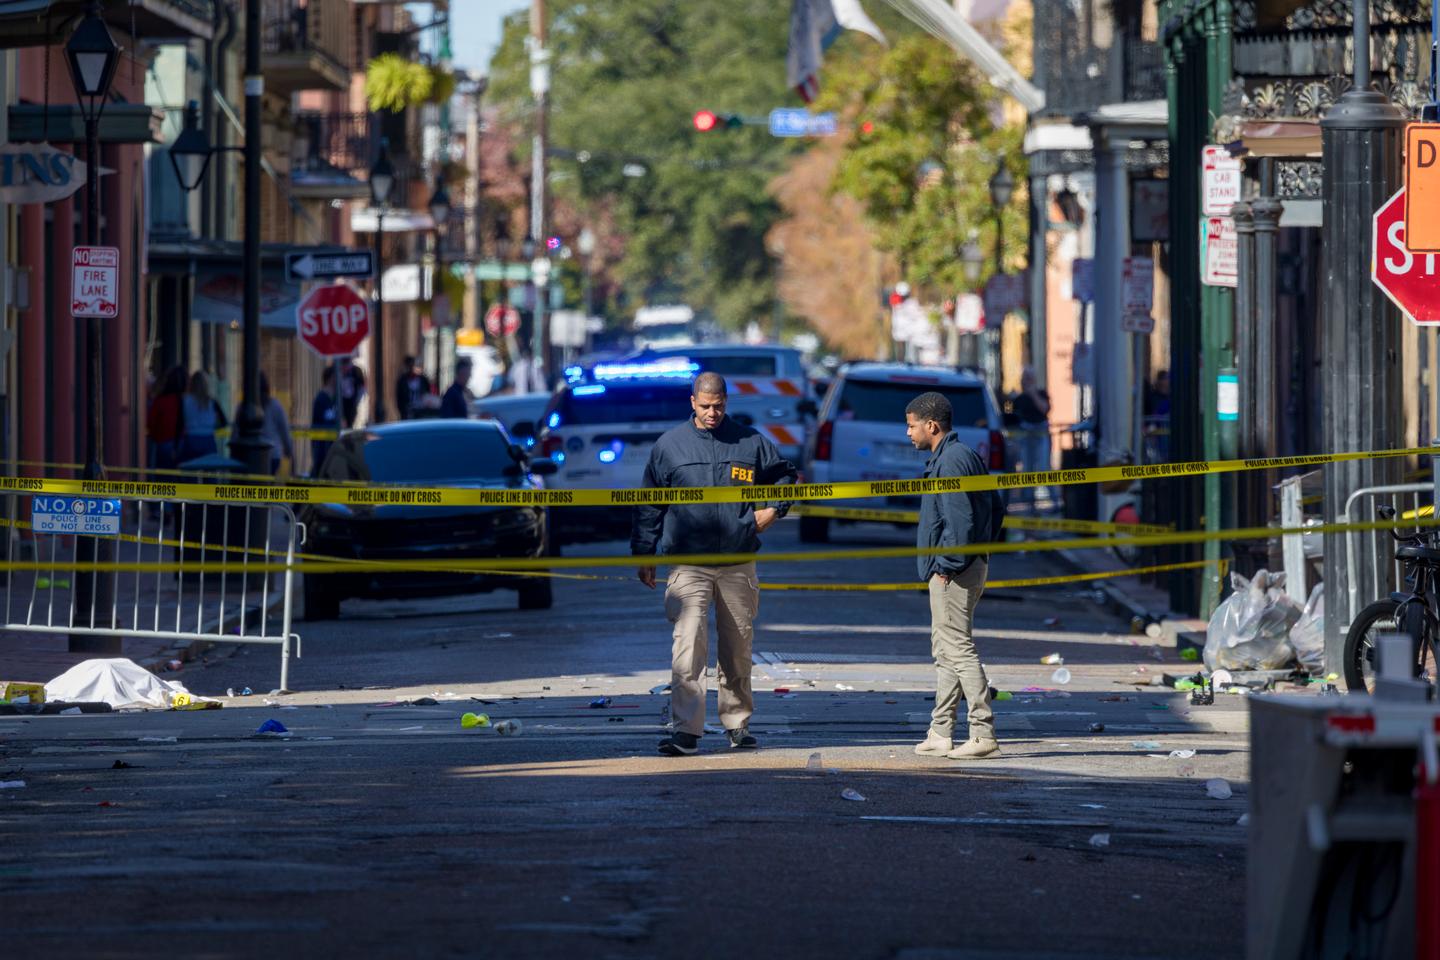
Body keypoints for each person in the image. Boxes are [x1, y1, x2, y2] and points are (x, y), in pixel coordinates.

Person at [632, 371, 798, 756]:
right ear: (693, 402)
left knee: (738, 647)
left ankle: (737, 723)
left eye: (719, 405)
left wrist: (774, 510)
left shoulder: (750, 441)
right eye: (705, 406)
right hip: (689, 562)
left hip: (738, 561)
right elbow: (648, 503)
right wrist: (644, 552)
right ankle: (687, 730)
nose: (712, 413)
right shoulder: (670, 447)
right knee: (688, 646)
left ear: (727, 401)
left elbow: (787, 477)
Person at [905, 391, 1005, 761]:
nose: (908, 433)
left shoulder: (951, 462)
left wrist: (949, 563)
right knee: (945, 651)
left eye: (912, 426)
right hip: (964, 564)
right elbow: (996, 506)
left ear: (932, 426)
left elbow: (960, 520)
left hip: (954, 571)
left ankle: (982, 732)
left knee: (958, 650)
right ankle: (941, 731)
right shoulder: (958, 456)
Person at [1009, 365, 1051, 512]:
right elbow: (1010, 417)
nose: (1025, 381)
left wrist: (1032, 393)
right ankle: (1029, 504)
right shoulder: (1019, 398)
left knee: (1044, 468)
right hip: (1024, 436)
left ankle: (1053, 502)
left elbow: (1045, 409)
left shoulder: (1041, 393)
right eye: (1024, 378)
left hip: (1041, 435)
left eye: (1028, 378)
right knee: (1027, 469)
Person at [146, 365, 187, 477]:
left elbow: (151, 423)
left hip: (163, 443)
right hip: (182, 443)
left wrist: (155, 436)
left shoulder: (160, 401)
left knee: (164, 479)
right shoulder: (185, 400)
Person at [178, 371, 226, 463]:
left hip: (191, 438)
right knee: (209, 471)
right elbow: (224, 422)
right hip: (208, 438)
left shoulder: (185, 401)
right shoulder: (212, 402)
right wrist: (212, 426)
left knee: (190, 470)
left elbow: (179, 424)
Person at [256, 372, 293, 475]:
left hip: (253, 455)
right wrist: (288, 449)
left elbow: (236, 431)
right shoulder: (275, 405)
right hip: (273, 455)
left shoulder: (245, 408)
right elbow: (284, 430)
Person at [311, 366, 340, 471]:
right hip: (322, 448)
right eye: (337, 376)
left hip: (334, 446)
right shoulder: (321, 399)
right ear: (331, 378)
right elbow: (318, 424)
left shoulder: (336, 399)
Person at [395, 355, 432, 420]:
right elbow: (399, 396)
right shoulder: (403, 380)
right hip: (407, 411)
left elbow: (428, 394)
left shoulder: (423, 380)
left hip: (421, 410)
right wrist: (402, 409)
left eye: (415, 366)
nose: (412, 368)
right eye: (410, 366)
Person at [340, 360, 366, 428]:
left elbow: (362, 388)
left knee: (349, 425)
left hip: (351, 404)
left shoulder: (356, 371)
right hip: (339, 404)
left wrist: (356, 401)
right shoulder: (336, 370)